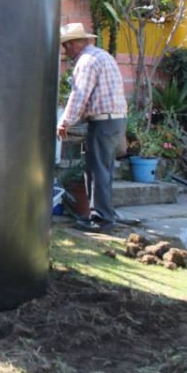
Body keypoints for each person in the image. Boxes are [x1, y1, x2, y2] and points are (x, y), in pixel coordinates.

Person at [57, 23, 127, 233]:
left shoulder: (86, 61)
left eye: (65, 47)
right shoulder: (101, 55)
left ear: (73, 44)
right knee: (99, 169)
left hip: (103, 122)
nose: (65, 52)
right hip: (114, 121)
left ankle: (102, 221)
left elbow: (79, 95)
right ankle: (100, 215)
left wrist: (65, 121)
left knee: (98, 171)